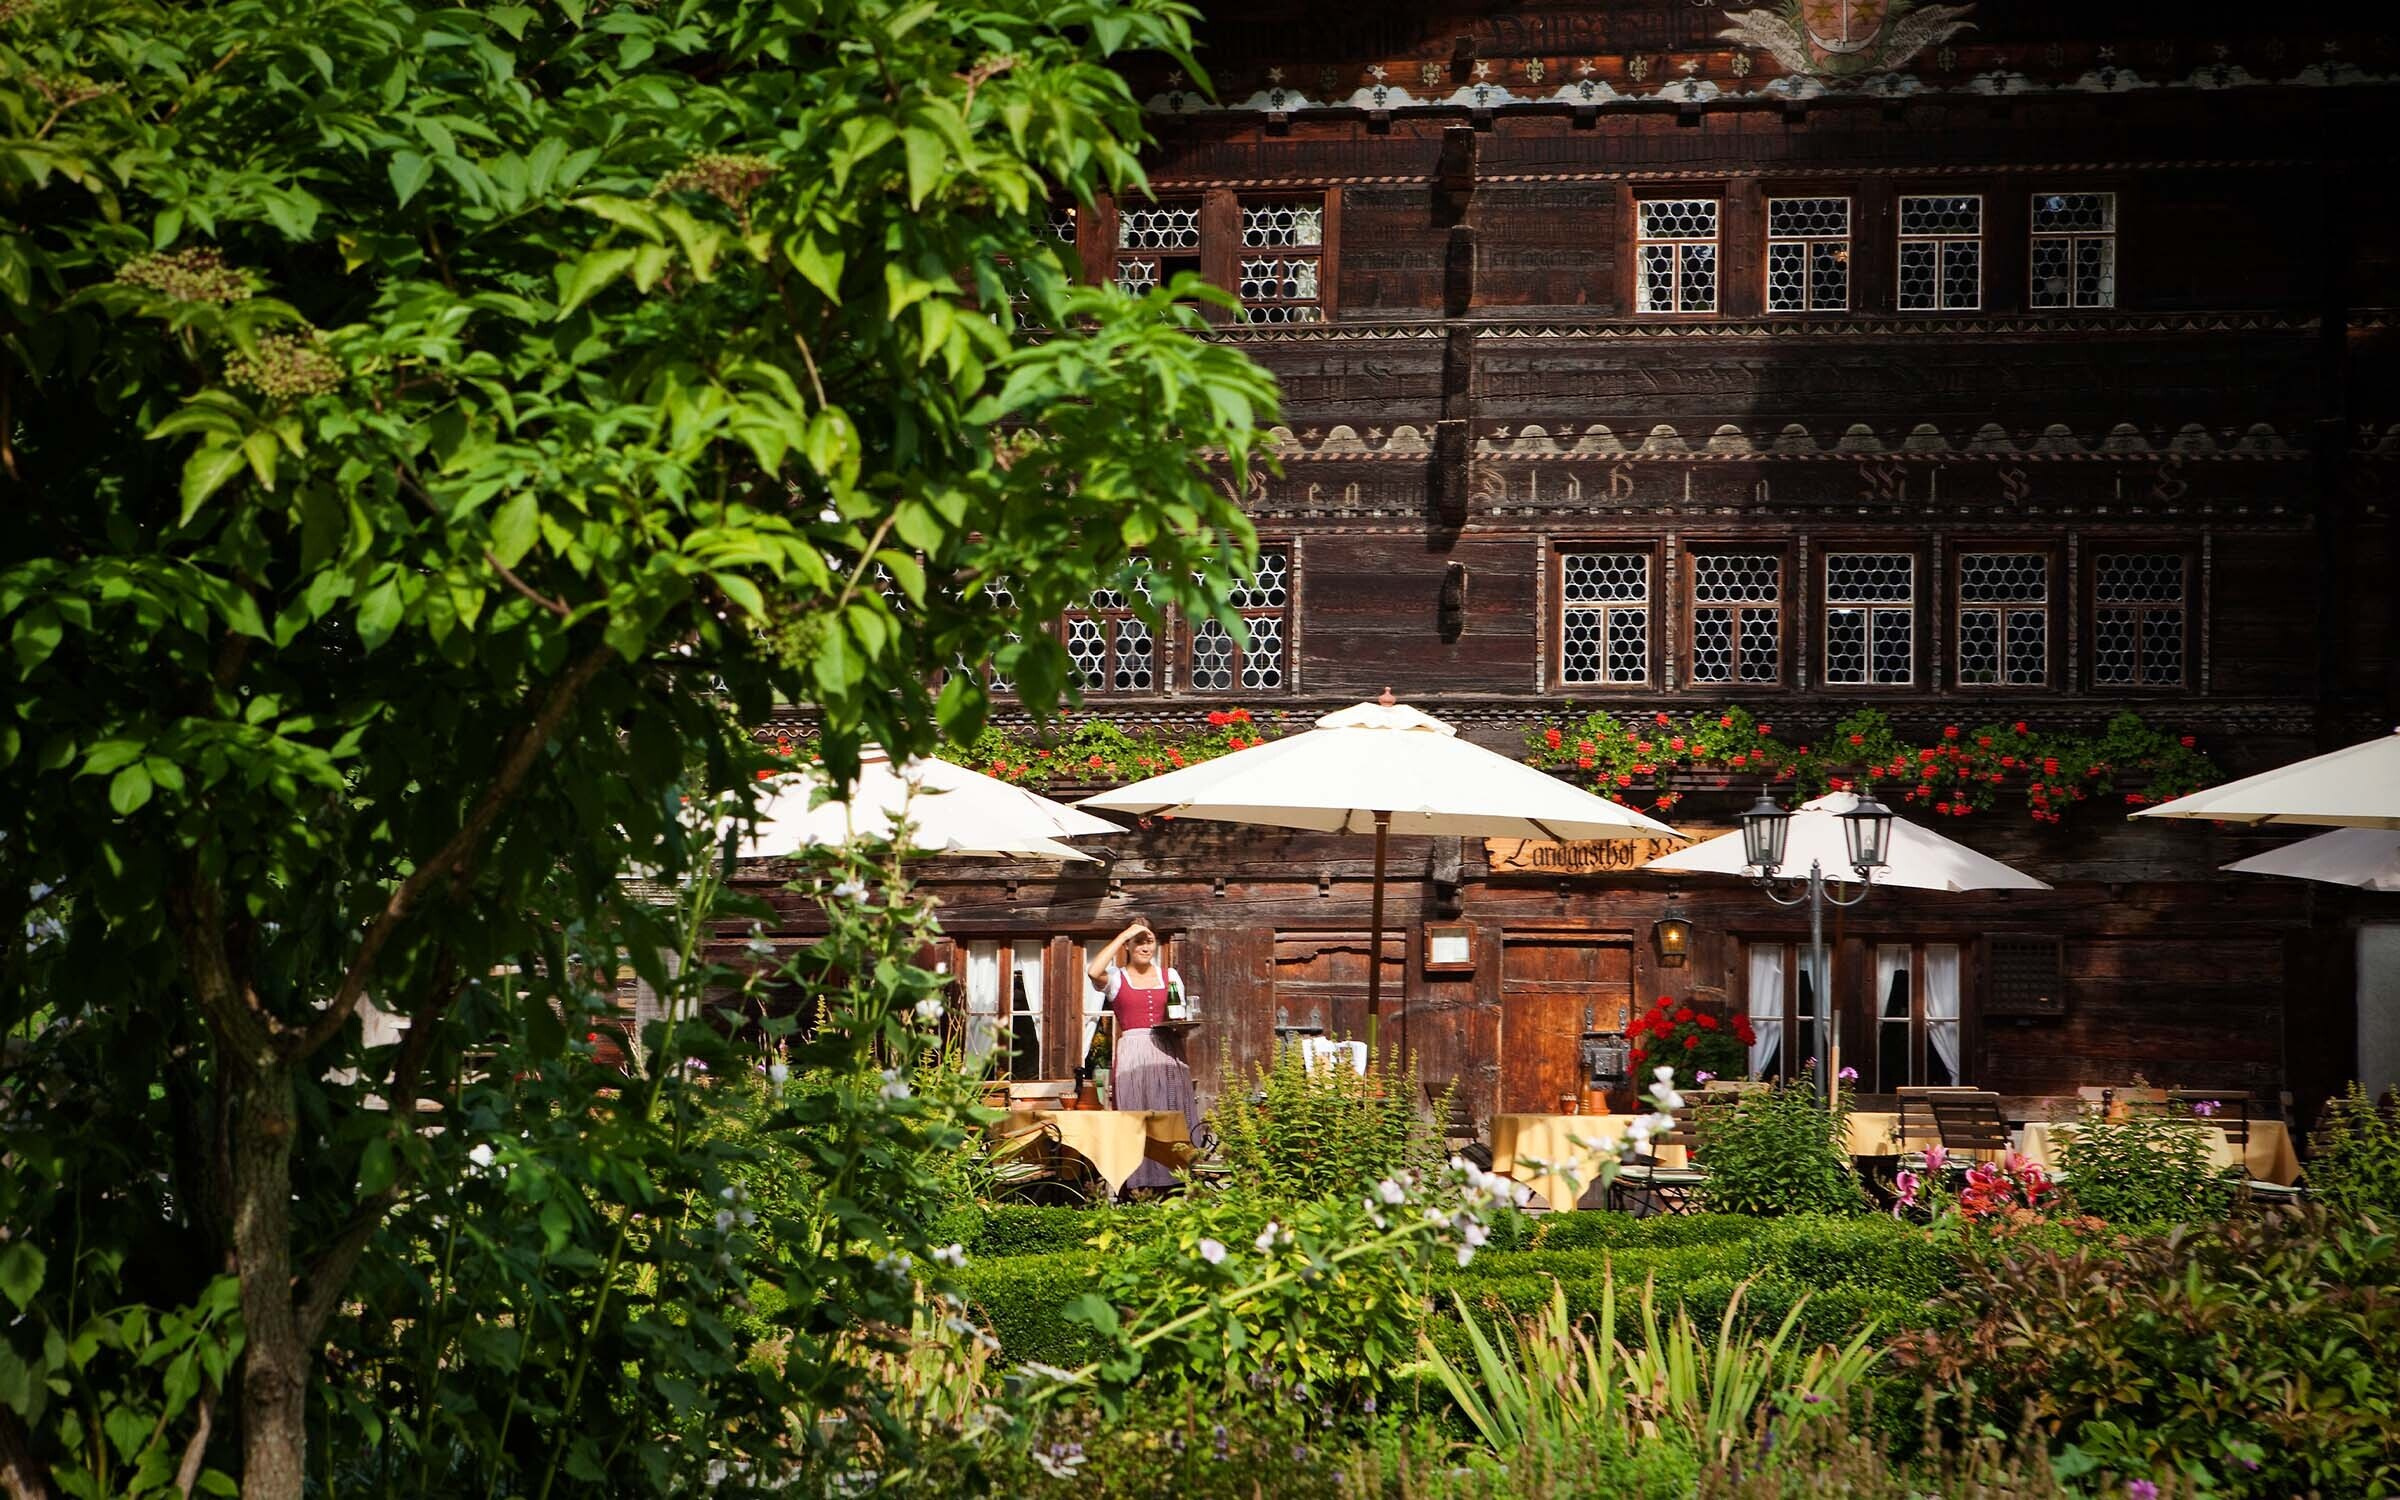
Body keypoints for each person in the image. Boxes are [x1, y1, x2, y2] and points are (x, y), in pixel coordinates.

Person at [1086, 918, 1198, 1191]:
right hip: (1133, 1051)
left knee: (1171, 1112)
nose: (1145, 947)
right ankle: (1137, 1184)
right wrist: (1125, 933)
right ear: (1128, 945)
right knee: (1136, 1115)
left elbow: (1179, 1017)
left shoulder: (1169, 976)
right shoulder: (1115, 977)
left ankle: (1177, 1181)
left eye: (1149, 941)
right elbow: (1092, 971)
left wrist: (1181, 1027)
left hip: (1166, 1049)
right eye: (1138, 941)